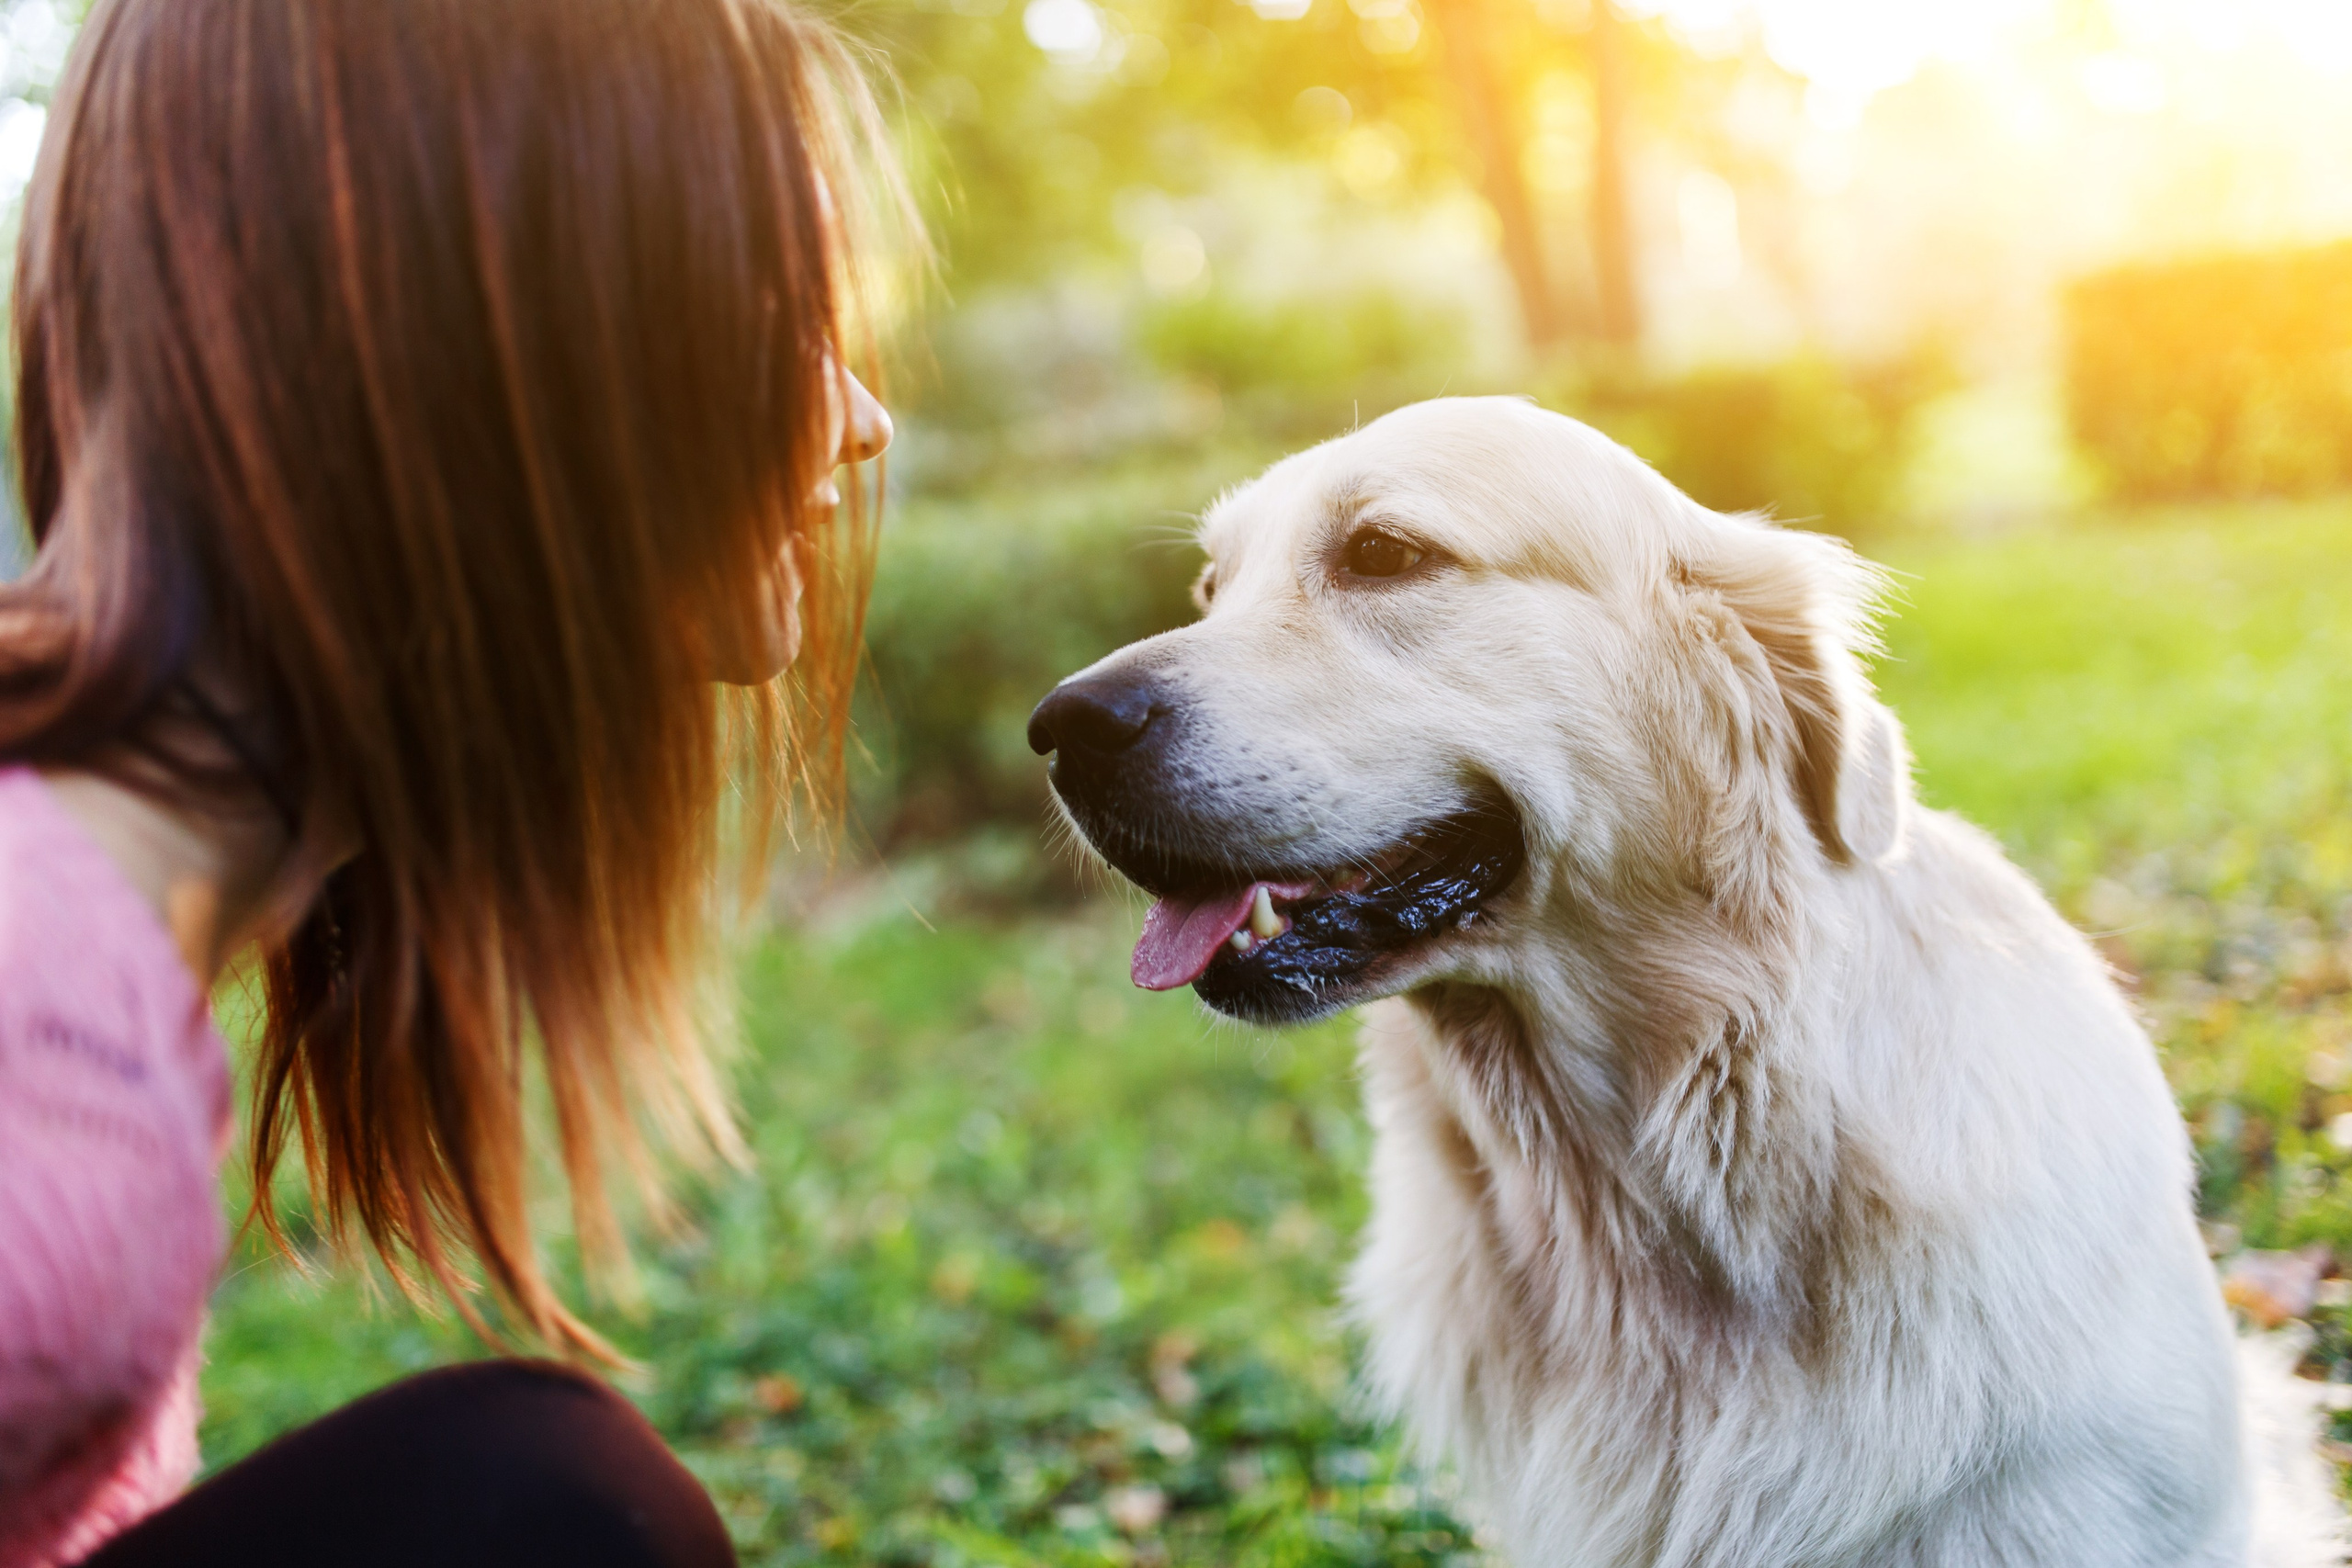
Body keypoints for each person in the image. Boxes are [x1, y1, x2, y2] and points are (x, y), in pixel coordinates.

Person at [0, 0, 900, 1562]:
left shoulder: (115, 940)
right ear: (517, 348)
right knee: (535, 1507)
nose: (860, 419)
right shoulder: (37, 1017)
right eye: (779, 306)